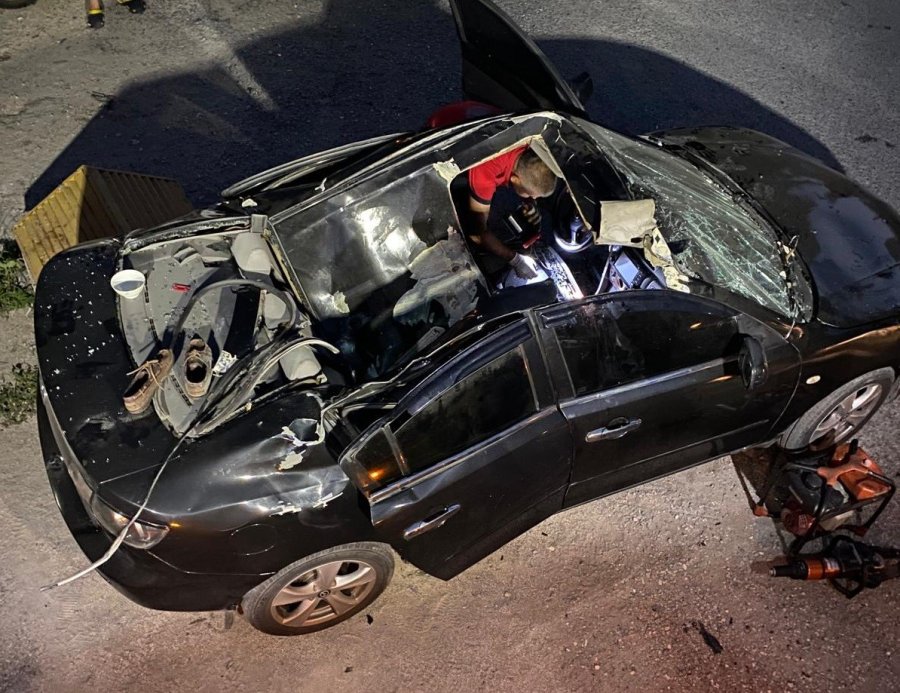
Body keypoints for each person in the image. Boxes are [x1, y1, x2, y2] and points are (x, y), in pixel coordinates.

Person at [467, 145, 558, 279]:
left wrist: (531, 202)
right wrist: (515, 259)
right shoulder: (485, 175)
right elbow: (477, 233)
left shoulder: (529, 146)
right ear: (515, 179)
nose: (534, 199)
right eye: (530, 195)